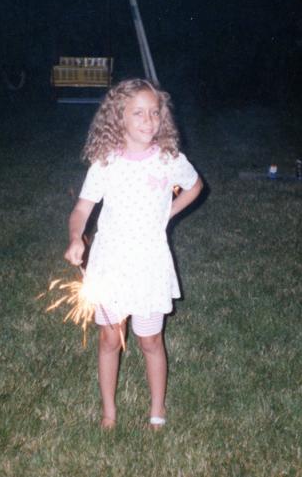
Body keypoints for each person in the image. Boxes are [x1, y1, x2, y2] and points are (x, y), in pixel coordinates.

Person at [64, 79, 203, 430]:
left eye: (155, 112)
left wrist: (168, 212)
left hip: (149, 265)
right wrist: (76, 237)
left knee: (150, 339)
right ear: (118, 117)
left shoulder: (169, 159)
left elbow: (195, 186)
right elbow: (81, 209)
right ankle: (109, 412)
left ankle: (157, 408)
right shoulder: (105, 163)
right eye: (138, 113)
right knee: (110, 338)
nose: (149, 120)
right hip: (110, 264)